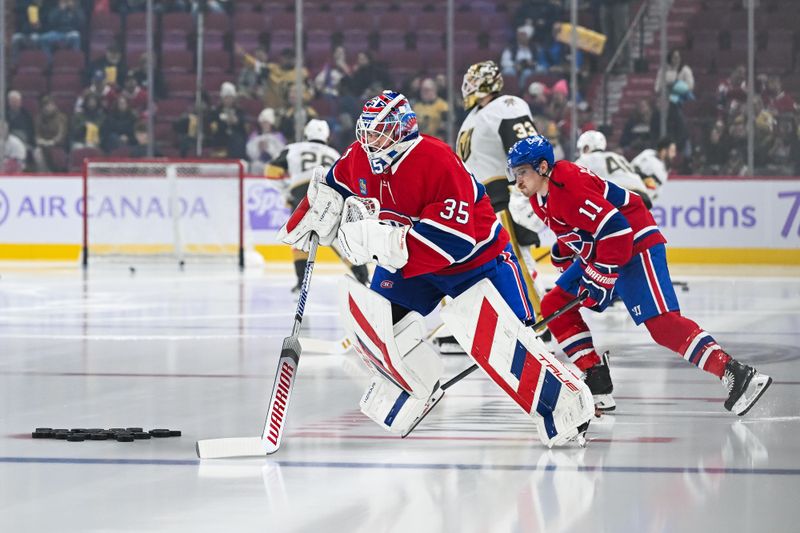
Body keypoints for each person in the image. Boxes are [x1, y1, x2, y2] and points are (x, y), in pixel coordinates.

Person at [279, 92, 582, 442]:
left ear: (404, 129)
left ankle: (566, 404)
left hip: (478, 260)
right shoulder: (360, 155)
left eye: (380, 133)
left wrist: (375, 240)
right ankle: (416, 385)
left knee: (509, 342)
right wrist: (314, 210)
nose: (370, 142)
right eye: (367, 133)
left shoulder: (436, 160)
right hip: (409, 266)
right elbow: (334, 184)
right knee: (378, 325)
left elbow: (453, 243)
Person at [506, 134, 772, 416]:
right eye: (515, 173)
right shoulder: (539, 197)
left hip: (635, 243)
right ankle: (597, 381)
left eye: (522, 172)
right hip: (605, 250)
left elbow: (617, 228)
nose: (518, 180)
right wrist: (564, 249)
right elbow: (582, 226)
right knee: (555, 305)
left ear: (543, 167)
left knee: (662, 324)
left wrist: (602, 275)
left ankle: (735, 373)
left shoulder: (568, 185)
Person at [457, 61, 545, 320]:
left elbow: (527, 147)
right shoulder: (474, 114)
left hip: (502, 198)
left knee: (514, 256)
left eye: (473, 81)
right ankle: (495, 319)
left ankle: (537, 316)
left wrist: (525, 189)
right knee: (485, 261)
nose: (468, 87)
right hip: (478, 199)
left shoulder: (507, 106)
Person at [267, 118, 368, 292]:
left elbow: (271, 171)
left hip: (301, 193)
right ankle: (363, 277)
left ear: (306, 134)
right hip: (330, 194)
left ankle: (301, 283)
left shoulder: (292, 148)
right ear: (327, 137)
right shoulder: (334, 153)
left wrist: (286, 192)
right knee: (338, 239)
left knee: (301, 239)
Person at [574, 129, 652, 208]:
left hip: (620, 194)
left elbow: (570, 178)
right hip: (642, 196)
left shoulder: (586, 159)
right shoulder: (617, 157)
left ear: (587, 147)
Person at [631, 137, 676, 201]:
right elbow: (632, 168)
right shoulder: (649, 154)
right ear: (663, 151)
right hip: (633, 194)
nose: (674, 154)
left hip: (640, 200)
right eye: (672, 151)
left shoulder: (663, 169)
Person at [246, 107, 286, 176]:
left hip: (273, 164)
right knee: (255, 166)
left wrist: (268, 148)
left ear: (271, 123)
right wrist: (258, 148)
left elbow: (281, 153)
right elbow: (250, 152)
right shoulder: (255, 135)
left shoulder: (278, 136)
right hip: (258, 164)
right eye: (262, 123)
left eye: (266, 122)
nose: (264, 125)